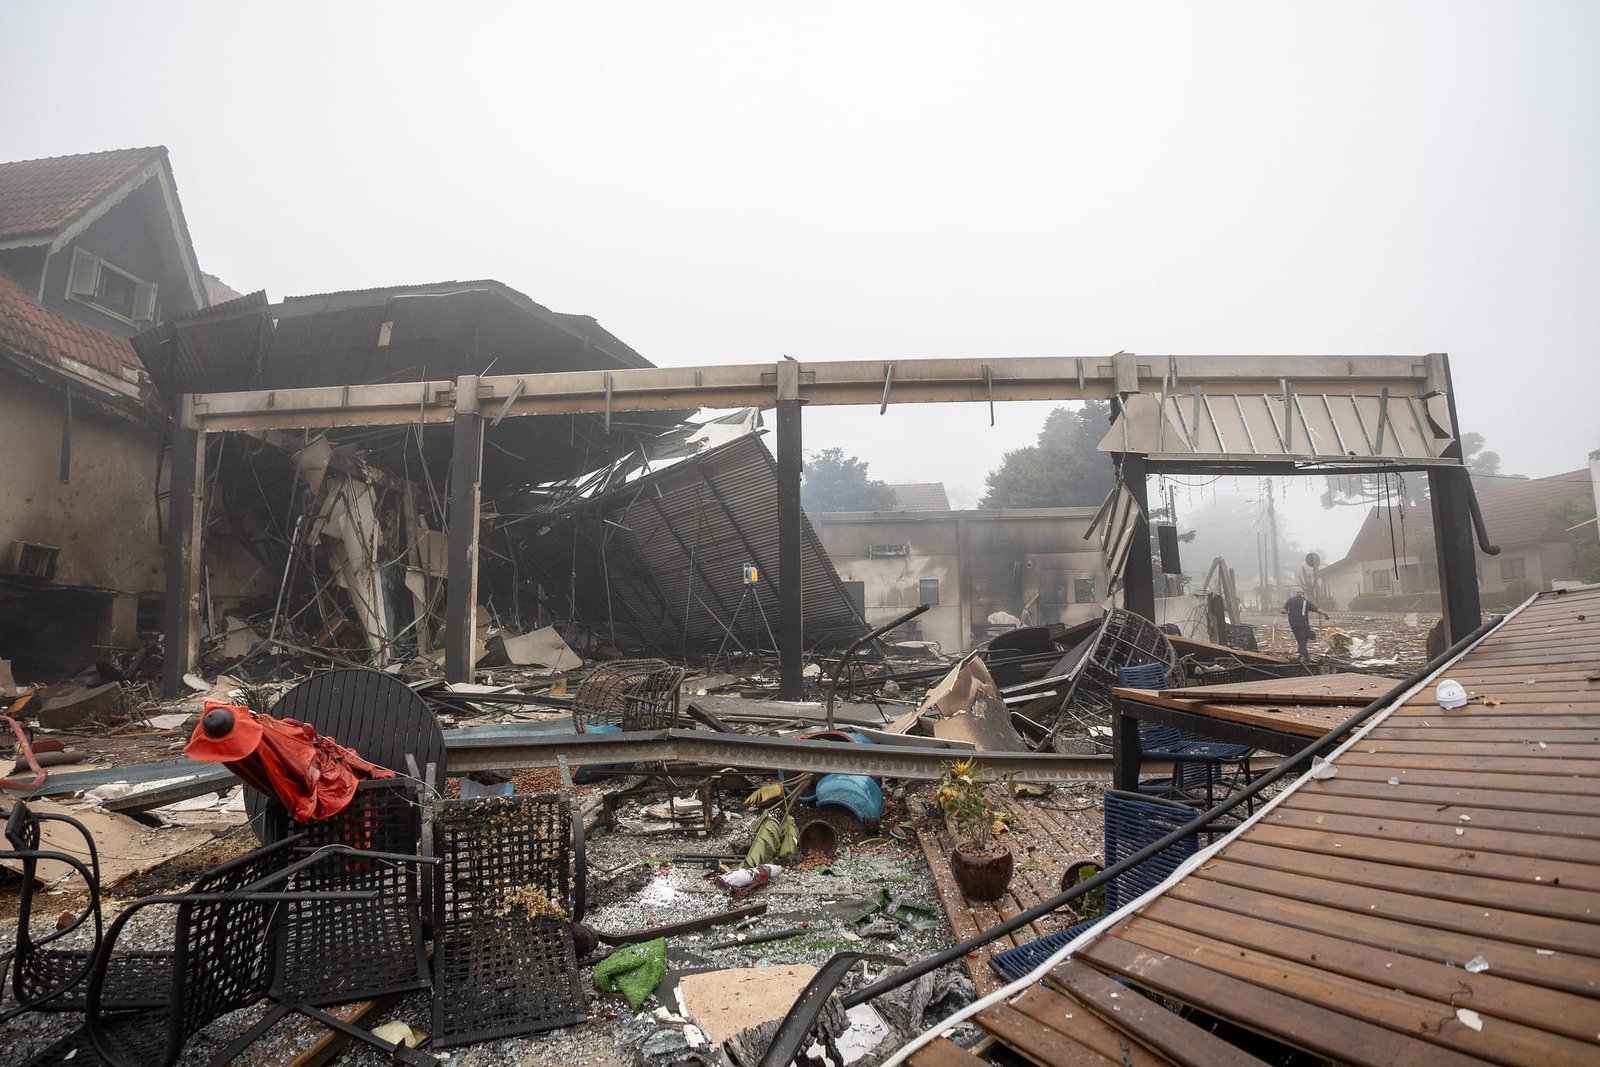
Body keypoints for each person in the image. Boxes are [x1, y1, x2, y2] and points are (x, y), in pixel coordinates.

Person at [1281, 590, 1329, 662]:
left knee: (1299, 639)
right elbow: (1318, 610)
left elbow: (1284, 611)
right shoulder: (1305, 602)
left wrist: (1283, 611)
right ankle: (1302, 655)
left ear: (1296, 593)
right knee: (1303, 639)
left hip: (1293, 623)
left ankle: (1305, 657)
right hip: (1303, 623)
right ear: (1303, 594)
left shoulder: (1291, 600)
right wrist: (1326, 615)